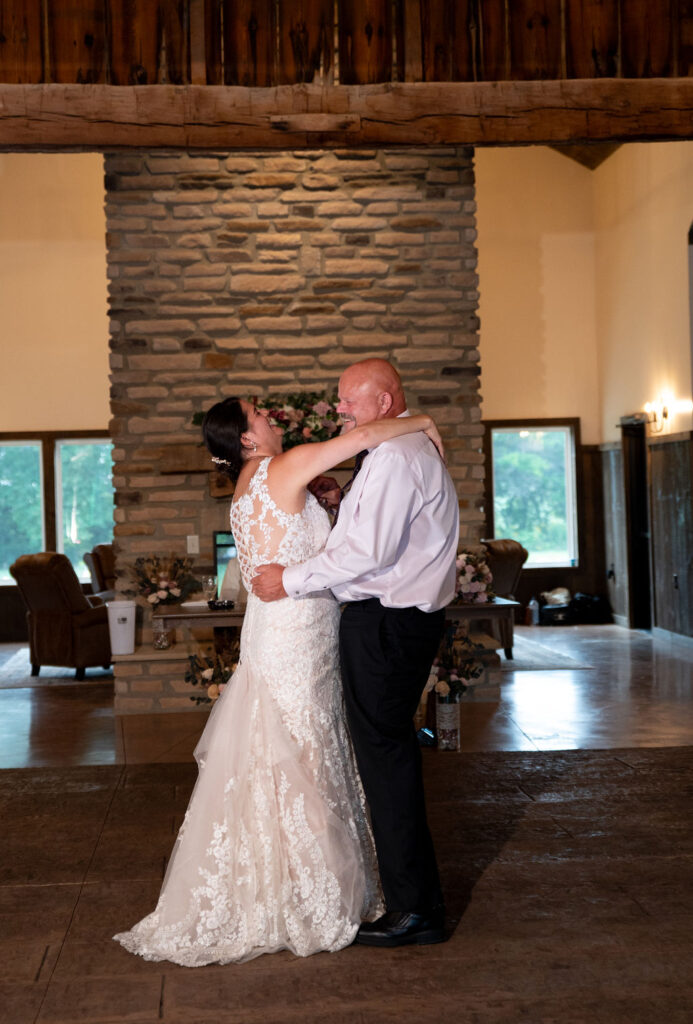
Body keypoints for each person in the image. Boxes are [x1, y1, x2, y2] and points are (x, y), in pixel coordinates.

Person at [113, 394, 444, 966]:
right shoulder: (281, 467)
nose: (273, 420)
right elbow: (363, 438)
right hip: (295, 630)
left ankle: (286, 880)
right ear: (246, 438)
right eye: (261, 417)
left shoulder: (249, 483)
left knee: (288, 748)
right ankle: (304, 893)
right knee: (302, 749)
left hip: (282, 625)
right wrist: (423, 421)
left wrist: (329, 503)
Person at [253, 359, 459, 948]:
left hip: (387, 625)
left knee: (386, 763)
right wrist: (343, 500)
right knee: (386, 757)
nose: (339, 409)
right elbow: (379, 534)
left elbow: (367, 554)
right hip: (393, 622)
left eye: (349, 400)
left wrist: (288, 580)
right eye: (340, 400)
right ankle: (419, 900)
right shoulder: (396, 450)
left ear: (386, 401)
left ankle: (415, 910)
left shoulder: (395, 455)